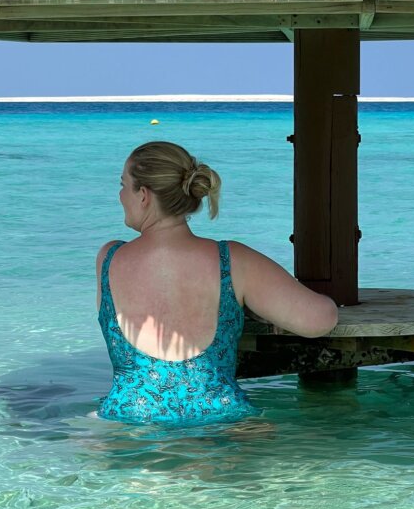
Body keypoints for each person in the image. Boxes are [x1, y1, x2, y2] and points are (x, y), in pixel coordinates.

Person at [95, 141, 338, 425]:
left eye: (123, 184)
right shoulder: (231, 260)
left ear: (144, 195)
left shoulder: (109, 259)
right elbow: (318, 320)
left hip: (128, 423)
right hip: (220, 422)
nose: (120, 195)